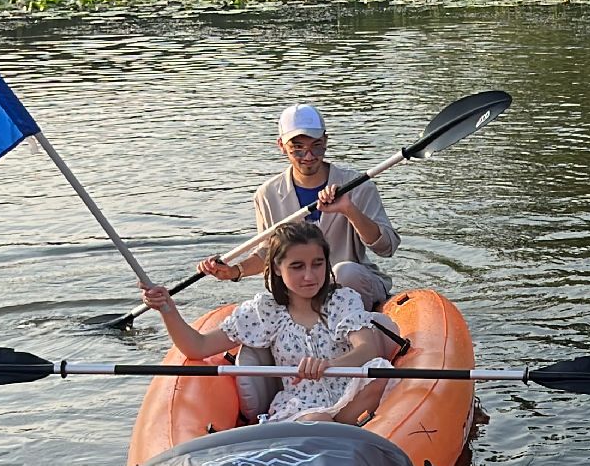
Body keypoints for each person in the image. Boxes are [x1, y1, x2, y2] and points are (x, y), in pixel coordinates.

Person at [144, 221, 394, 425]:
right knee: (318, 419)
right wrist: (167, 308)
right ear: (276, 268)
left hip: (351, 394)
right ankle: (339, 432)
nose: (310, 276)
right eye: (297, 267)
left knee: (382, 371)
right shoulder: (265, 311)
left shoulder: (342, 299)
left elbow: (367, 349)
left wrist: (328, 364)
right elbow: (197, 346)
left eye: (317, 264)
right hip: (302, 406)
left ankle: (347, 427)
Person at [197, 103, 399, 312]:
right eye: (298, 149)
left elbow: (387, 247)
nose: (309, 156)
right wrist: (235, 271)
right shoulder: (267, 195)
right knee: (277, 283)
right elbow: (268, 253)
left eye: (316, 146)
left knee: (345, 273)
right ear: (282, 146)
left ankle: (356, 329)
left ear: (326, 141)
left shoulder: (358, 186)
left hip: (353, 284)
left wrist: (349, 210)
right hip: (299, 289)